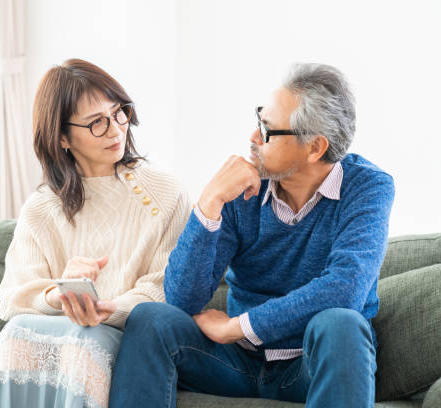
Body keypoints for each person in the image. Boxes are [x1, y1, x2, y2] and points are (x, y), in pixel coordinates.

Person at [109, 63, 394, 408]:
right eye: (260, 119)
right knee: (150, 317)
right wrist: (209, 202)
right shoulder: (244, 187)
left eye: (268, 130)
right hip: (235, 363)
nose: (253, 138)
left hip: (310, 366)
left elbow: (344, 290)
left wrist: (240, 327)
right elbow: (182, 301)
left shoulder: (367, 187)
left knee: (342, 324)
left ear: (315, 147)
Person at [0, 59, 190, 408]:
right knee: (18, 332)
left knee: (84, 342)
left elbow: (163, 288)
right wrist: (59, 295)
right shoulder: (41, 207)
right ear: (63, 137)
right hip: (60, 333)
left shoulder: (165, 192)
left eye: (119, 113)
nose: (115, 130)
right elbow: (13, 300)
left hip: (125, 339)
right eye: (97, 122)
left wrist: (104, 309)